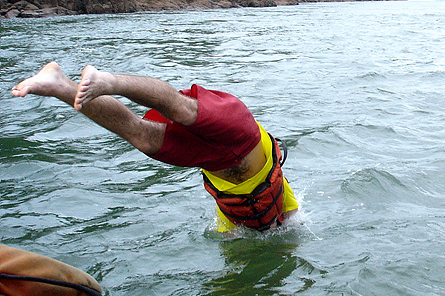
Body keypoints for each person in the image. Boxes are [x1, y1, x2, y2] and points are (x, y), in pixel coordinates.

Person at [11, 62, 298, 232]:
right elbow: (297, 220)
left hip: (209, 159)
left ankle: (58, 84)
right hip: (242, 135)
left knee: (142, 137)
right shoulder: (283, 199)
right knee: (181, 109)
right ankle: (110, 81)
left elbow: (227, 240)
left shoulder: (230, 218)